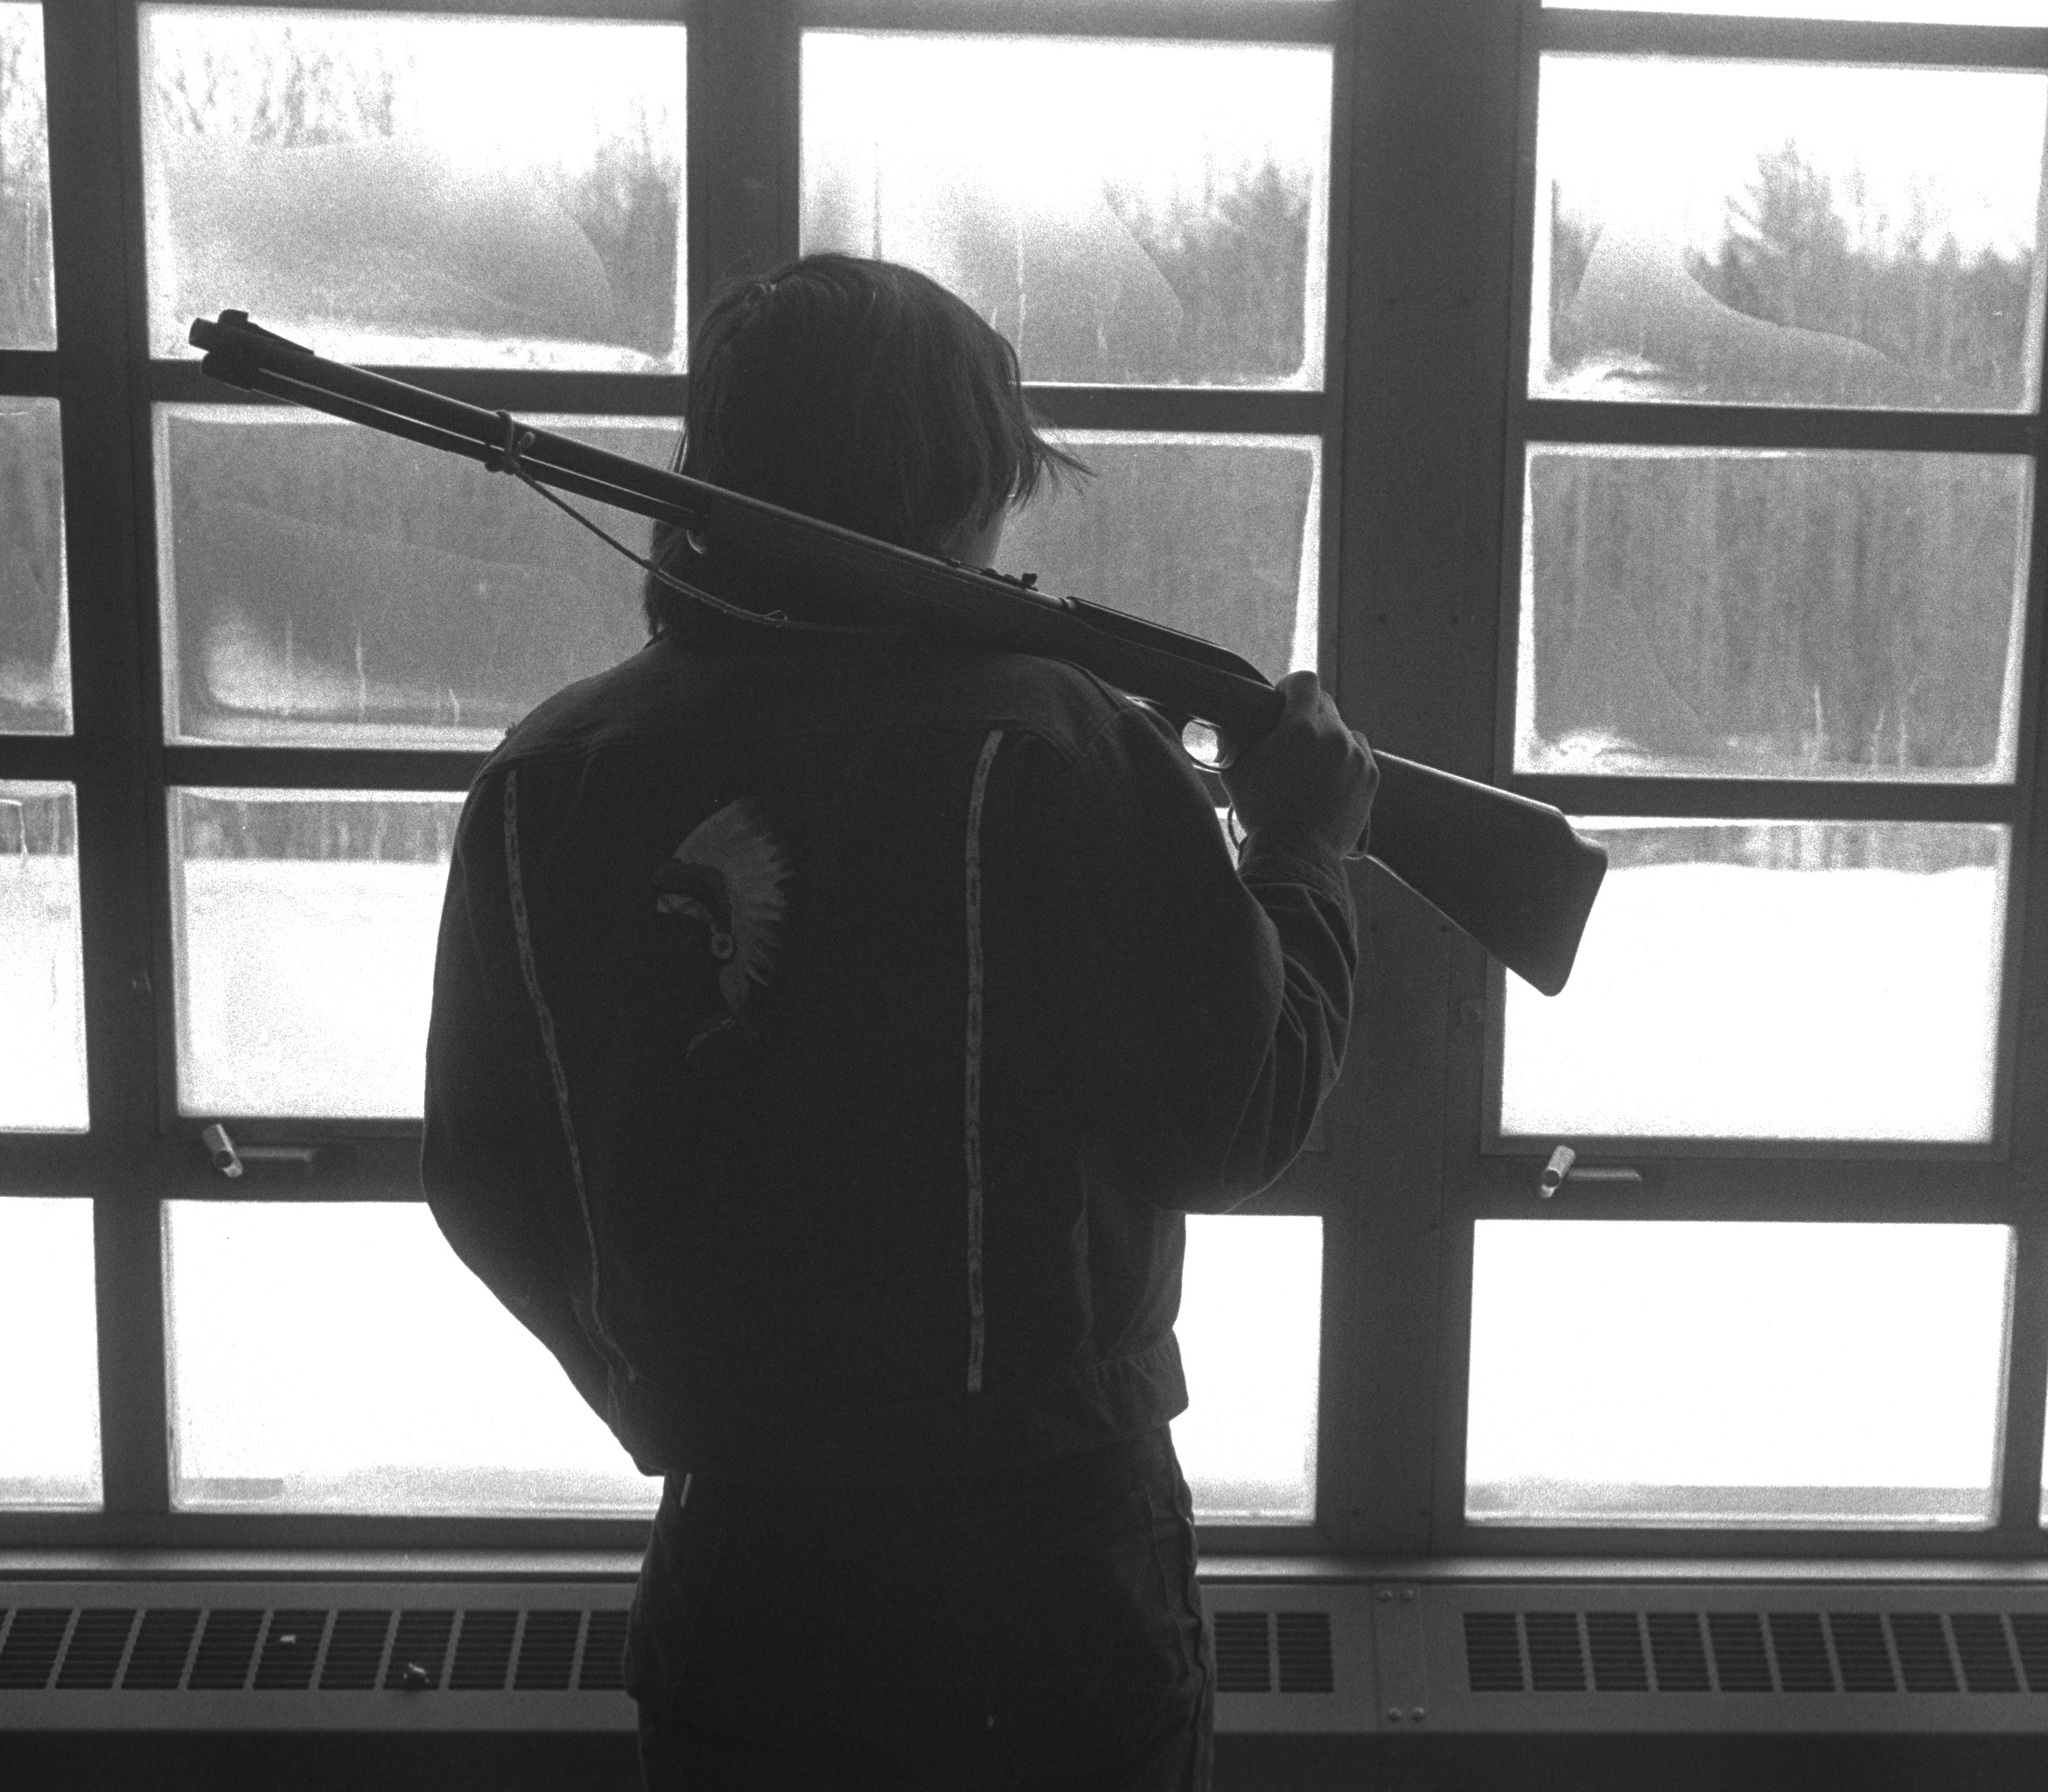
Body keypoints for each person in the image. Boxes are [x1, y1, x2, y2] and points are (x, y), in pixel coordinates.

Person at [420, 252, 1375, 1789]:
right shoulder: (1061, 741)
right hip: (1051, 1580)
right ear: (964, 477)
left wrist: (679, 1400)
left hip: (737, 1568)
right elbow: (1232, 1119)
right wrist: (1306, 854)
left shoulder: (545, 774)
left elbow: (483, 1179)